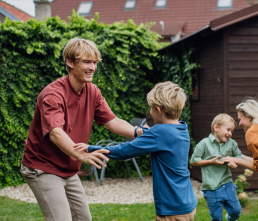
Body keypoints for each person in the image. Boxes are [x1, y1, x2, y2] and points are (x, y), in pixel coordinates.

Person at [20, 38, 146, 221]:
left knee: (84, 218)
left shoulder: (92, 91)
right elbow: (55, 132)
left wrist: (138, 131)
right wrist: (82, 155)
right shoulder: (53, 94)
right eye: (87, 62)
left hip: (67, 167)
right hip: (42, 167)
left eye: (95, 62)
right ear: (70, 62)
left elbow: (112, 121)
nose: (92, 67)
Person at [80, 81, 198, 221]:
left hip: (172, 209)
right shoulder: (182, 128)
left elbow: (124, 151)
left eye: (151, 108)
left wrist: (91, 148)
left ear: (159, 110)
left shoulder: (159, 133)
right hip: (188, 203)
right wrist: (147, 132)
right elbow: (162, 137)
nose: (150, 111)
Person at [190, 113, 243, 221]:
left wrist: (234, 162)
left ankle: (230, 218)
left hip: (227, 183)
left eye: (231, 131)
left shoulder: (232, 144)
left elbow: (238, 156)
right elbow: (193, 161)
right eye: (228, 129)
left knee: (236, 211)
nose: (230, 133)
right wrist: (211, 161)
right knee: (216, 218)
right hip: (211, 188)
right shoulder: (204, 143)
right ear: (216, 127)